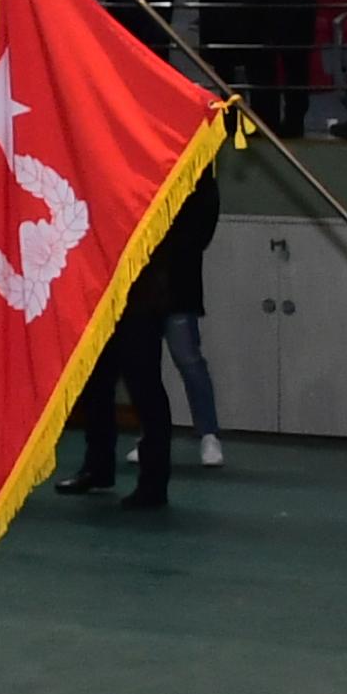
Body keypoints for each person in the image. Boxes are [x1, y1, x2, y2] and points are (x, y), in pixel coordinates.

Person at [57, 162, 215, 510]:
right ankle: (98, 466)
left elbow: (196, 227)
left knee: (144, 386)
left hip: (144, 292)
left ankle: (153, 482)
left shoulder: (176, 163)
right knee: (97, 382)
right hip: (105, 287)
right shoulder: (119, 159)